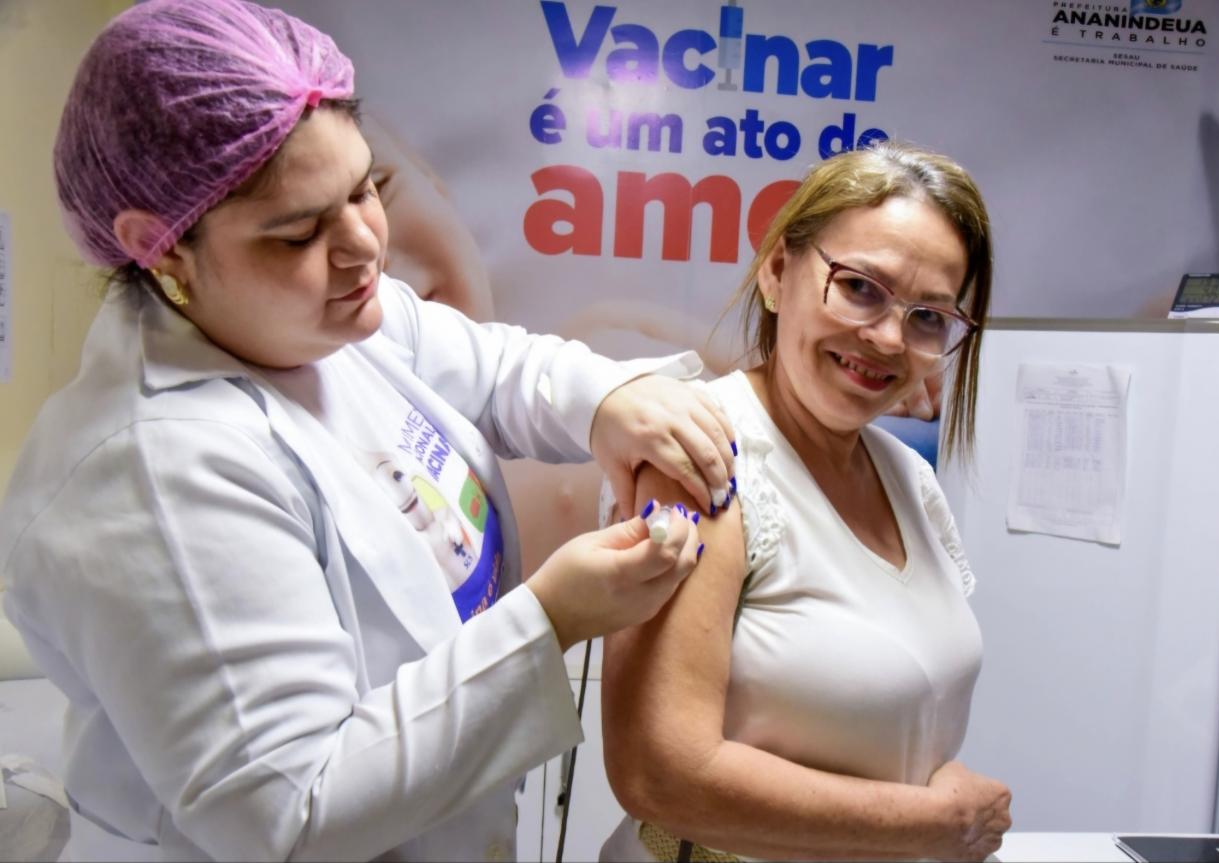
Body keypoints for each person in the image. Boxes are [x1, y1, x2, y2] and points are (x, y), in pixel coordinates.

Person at [0, 0, 740, 859]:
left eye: (365, 191)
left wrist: (608, 399)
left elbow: (496, 366)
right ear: (161, 247)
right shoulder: (153, 472)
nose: (363, 246)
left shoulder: (319, 315)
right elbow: (286, 815)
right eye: (298, 232)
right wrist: (550, 620)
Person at [599, 142, 1013, 862]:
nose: (888, 338)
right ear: (777, 272)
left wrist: (937, 788)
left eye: (928, 317)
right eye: (859, 287)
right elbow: (659, 772)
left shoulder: (907, 476)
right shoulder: (704, 461)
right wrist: (932, 820)